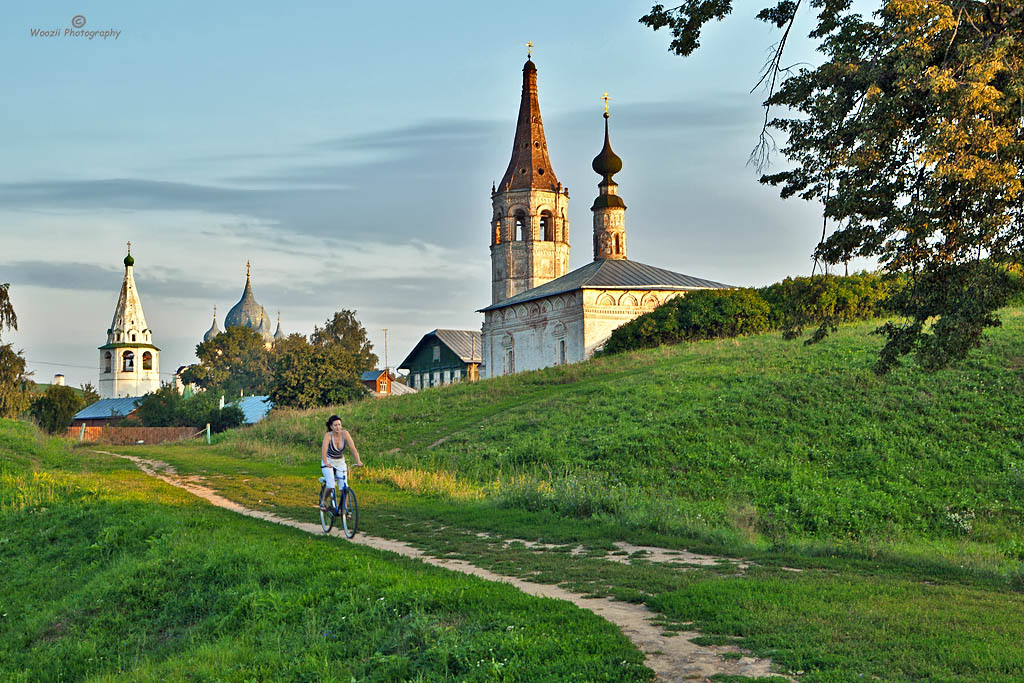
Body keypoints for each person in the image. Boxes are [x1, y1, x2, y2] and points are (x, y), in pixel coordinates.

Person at [320, 415, 363, 510]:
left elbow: (353, 449)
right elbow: (324, 450)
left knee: (344, 487)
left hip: (340, 462)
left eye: (339, 424)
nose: (337, 427)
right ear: (331, 427)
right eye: (335, 425)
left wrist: (358, 461)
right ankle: (324, 501)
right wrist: (326, 462)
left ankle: (345, 509)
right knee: (331, 484)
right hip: (328, 460)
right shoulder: (328, 435)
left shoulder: (345, 434)